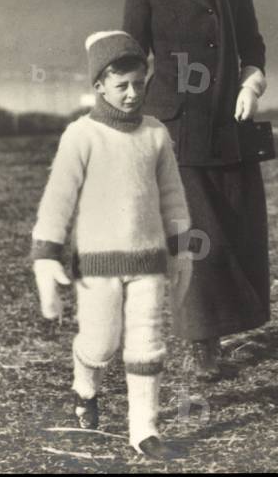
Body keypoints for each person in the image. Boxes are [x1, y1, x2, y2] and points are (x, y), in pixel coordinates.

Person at [123, 0, 270, 380]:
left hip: (231, 124)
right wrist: (126, 110)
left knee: (236, 225)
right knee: (197, 234)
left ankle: (225, 328)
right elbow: (130, 54)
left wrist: (251, 84)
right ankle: (201, 341)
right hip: (176, 128)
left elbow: (253, 47)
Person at [29, 31, 193, 459]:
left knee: (147, 343)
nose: (133, 93)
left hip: (149, 260)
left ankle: (144, 429)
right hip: (97, 264)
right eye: (122, 85)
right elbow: (59, 198)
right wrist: (45, 256)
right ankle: (85, 387)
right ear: (99, 85)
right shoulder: (81, 135)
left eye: (139, 83)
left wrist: (181, 248)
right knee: (100, 343)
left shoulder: (156, 134)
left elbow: (173, 195)